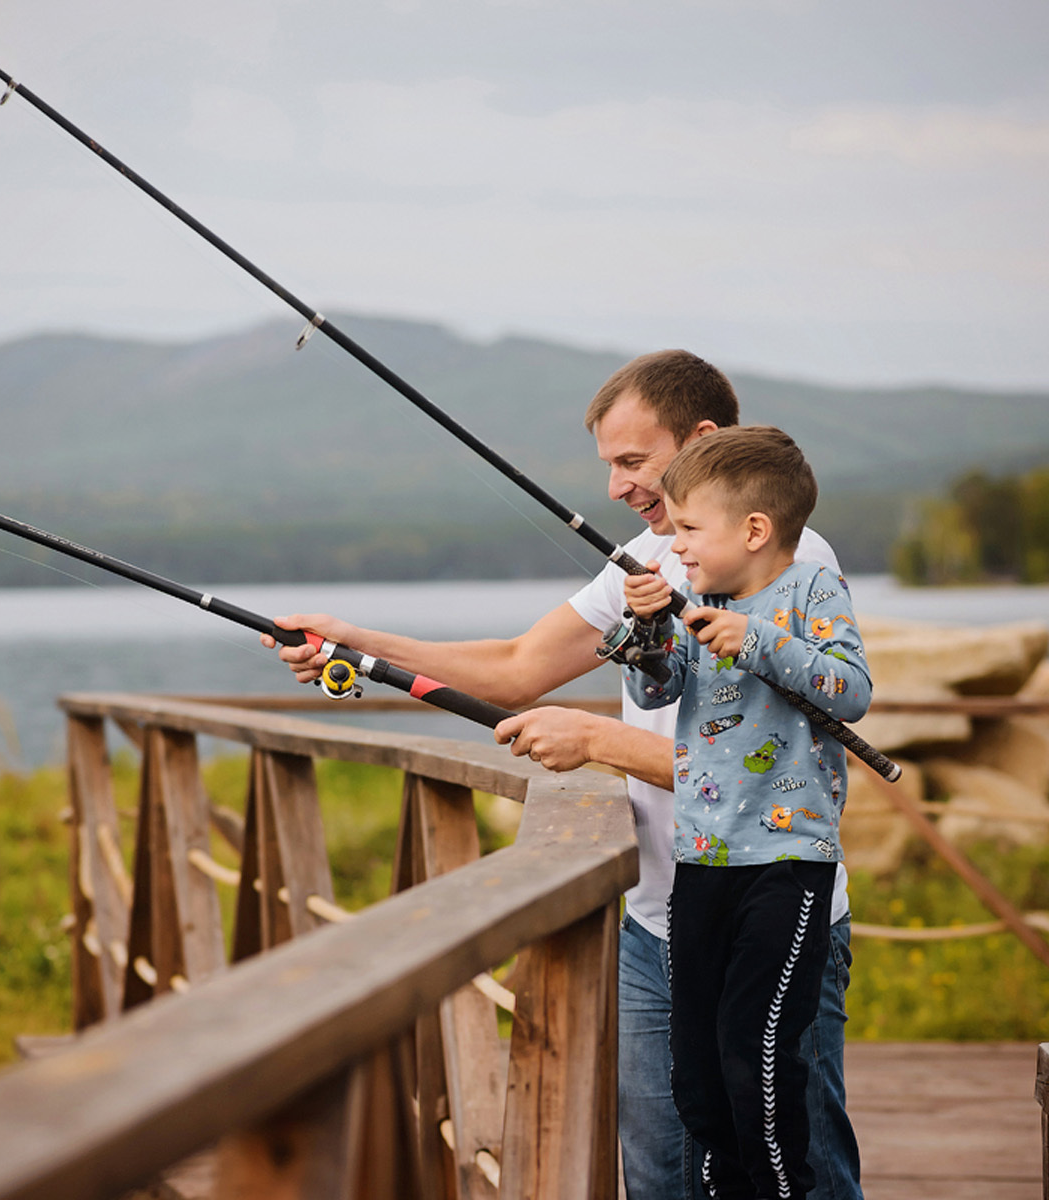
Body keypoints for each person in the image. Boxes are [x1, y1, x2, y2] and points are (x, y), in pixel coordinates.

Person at [264, 350, 864, 1200]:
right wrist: (355, 645)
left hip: (769, 910)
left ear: (700, 440)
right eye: (608, 468)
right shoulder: (650, 561)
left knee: (794, 1170)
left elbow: (772, 781)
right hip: (659, 920)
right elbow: (513, 668)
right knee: (661, 1177)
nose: (616, 488)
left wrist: (598, 739)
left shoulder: (788, 568)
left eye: (631, 461)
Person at [620, 426, 870, 1199]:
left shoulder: (809, 592)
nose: (675, 546)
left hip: (786, 867)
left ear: (754, 530)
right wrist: (653, 629)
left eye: (688, 528)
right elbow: (654, 692)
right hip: (701, 863)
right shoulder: (698, 599)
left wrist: (754, 637)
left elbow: (850, 690)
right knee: (694, 1063)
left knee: (755, 1055)